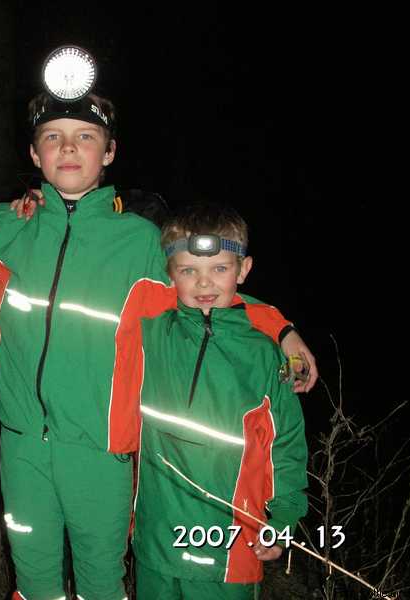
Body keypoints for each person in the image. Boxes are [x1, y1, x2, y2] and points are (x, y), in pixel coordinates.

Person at [0, 89, 312, 599]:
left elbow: (209, 288)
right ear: (34, 155)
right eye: (53, 138)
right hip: (21, 448)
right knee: (36, 584)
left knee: (100, 583)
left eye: (86, 138)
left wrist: (279, 327)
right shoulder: (8, 227)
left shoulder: (141, 243)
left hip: (100, 454)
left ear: (109, 153)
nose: (68, 148)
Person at [123, 204, 307, 599]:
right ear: (169, 273)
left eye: (220, 269)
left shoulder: (264, 356)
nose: (204, 283)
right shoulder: (152, 333)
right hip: (155, 544)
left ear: (243, 270)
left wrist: (285, 519)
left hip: (230, 553)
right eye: (188, 270)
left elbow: (286, 448)